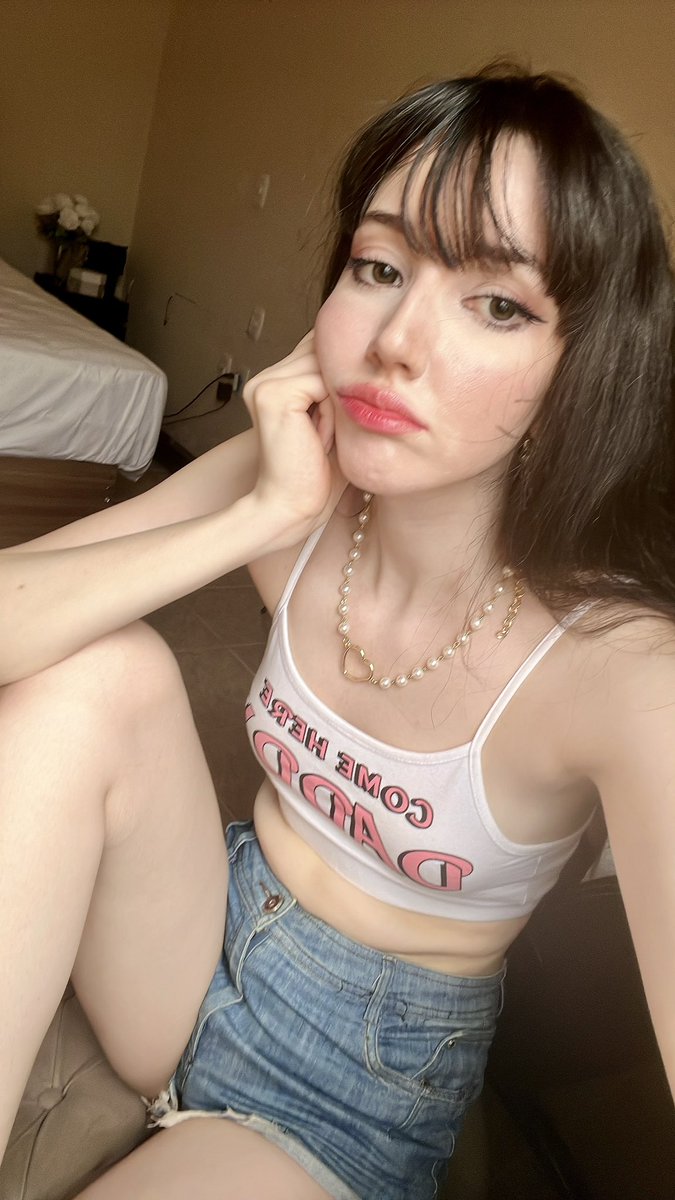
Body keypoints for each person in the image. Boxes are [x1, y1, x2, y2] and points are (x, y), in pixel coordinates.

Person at [0, 64, 673, 1200]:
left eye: (498, 303)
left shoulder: (621, 664)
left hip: (350, 1089)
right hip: (197, 934)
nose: (397, 339)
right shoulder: (297, 486)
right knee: (98, 673)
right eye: (381, 266)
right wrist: (258, 517)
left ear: (585, 368)